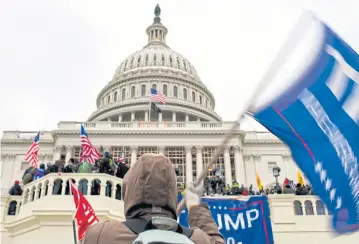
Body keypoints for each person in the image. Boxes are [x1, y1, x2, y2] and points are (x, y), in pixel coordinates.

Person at [82, 153, 224, 244]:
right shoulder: (198, 239)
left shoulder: (101, 235)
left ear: (130, 187)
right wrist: (194, 207)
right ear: (172, 190)